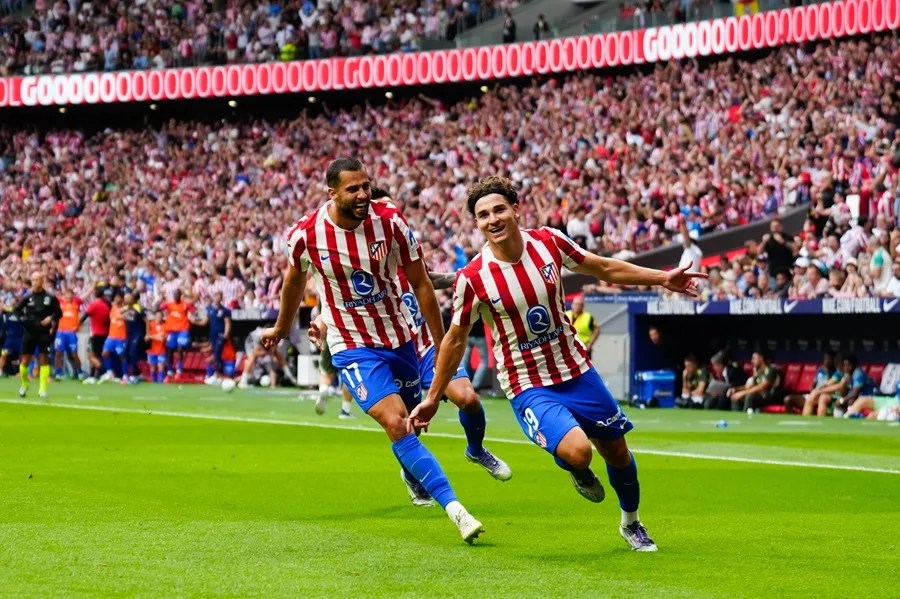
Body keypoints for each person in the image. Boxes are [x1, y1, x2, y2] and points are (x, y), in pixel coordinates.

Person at [409, 176, 706, 552]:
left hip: (576, 370)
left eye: (499, 209)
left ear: (516, 210)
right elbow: (454, 340)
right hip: (527, 382)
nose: (493, 219)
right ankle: (576, 469)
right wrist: (433, 397)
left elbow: (603, 268)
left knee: (617, 451)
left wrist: (662, 278)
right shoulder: (473, 278)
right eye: (483, 215)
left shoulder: (549, 242)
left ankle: (631, 522)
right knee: (579, 452)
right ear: (477, 223)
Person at [262, 157, 484, 543]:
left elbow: (421, 282)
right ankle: (457, 510)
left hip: (400, 337)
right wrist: (282, 328)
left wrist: (441, 343)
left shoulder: (390, 222)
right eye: (353, 189)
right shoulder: (306, 235)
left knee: (411, 422)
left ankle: (415, 469)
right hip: (351, 343)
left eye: (366, 186)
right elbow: (294, 282)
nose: (363, 194)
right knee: (396, 423)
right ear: (332, 193)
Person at [14, 271, 62, 399]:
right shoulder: (27, 297)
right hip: (30, 332)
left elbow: (59, 313)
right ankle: (25, 384)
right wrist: (24, 320)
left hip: (44, 332)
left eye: (37, 280)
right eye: (33, 280)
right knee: (24, 362)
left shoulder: (50, 297)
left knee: (44, 359)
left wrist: (50, 318)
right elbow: (16, 310)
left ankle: (42, 389)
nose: (35, 283)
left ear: (42, 281)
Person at [196, 292, 232, 384]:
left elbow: (227, 322)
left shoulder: (224, 310)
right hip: (212, 335)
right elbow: (204, 322)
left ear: (221, 299)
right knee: (215, 355)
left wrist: (226, 334)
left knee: (217, 355)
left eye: (219, 297)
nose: (217, 298)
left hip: (220, 335)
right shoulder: (210, 309)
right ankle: (215, 375)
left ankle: (218, 375)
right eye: (216, 296)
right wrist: (193, 321)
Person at [159, 289, 195, 378]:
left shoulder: (185, 304)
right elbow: (159, 308)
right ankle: (170, 370)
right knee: (169, 350)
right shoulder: (169, 304)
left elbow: (194, 310)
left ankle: (179, 368)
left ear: (180, 295)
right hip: (172, 330)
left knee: (180, 348)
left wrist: (192, 312)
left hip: (183, 330)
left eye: (178, 294)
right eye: (175, 294)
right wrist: (161, 299)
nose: (176, 296)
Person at [53, 289, 85, 380]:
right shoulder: (60, 302)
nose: (69, 296)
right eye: (67, 294)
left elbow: (84, 297)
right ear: (64, 295)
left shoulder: (76, 303)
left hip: (71, 332)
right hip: (61, 332)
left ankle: (80, 372)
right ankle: (58, 373)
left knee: (74, 354)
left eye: (70, 294)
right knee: (58, 353)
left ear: (73, 296)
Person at [81, 286, 111, 381]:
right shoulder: (106, 306)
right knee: (96, 355)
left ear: (95, 294)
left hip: (95, 333)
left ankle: (104, 373)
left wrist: (77, 325)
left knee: (90, 356)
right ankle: (92, 376)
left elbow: (85, 316)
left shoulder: (94, 305)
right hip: (104, 333)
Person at [99, 293, 128, 382]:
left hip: (120, 337)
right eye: (115, 298)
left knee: (122, 356)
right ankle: (109, 372)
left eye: (118, 298)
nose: (116, 299)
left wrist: (123, 315)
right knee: (105, 353)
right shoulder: (113, 308)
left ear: (122, 299)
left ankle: (125, 375)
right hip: (111, 336)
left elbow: (128, 317)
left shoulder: (126, 309)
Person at [122, 292, 145, 383]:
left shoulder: (138, 308)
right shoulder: (124, 309)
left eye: (129, 298)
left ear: (132, 299)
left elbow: (146, 321)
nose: (127, 300)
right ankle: (138, 373)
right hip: (129, 334)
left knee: (133, 352)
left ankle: (134, 375)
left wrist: (147, 333)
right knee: (126, 353)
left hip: (137, 333)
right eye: (125, 298)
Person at [0, 301, 24, 377]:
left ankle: (22, 372)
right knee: (4, 354)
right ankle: (0, 370)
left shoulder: (21, 314)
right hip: (9, 338)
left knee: (22, 355)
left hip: (19, 338)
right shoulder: (6, 314)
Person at [145, 311, 168, 383]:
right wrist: (156, 336)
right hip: (151, 350)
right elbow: (146, 338)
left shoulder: (165, 326)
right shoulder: (151, 324)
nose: (158, 318)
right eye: (157, 316)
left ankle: (160, 381)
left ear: (162, 318)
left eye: (160, 316)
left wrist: (151, 336)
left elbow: (163, 338)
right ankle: (153, 381)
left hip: (161, 350)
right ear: (155, 317)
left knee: (161, 366)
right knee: (152, 367)